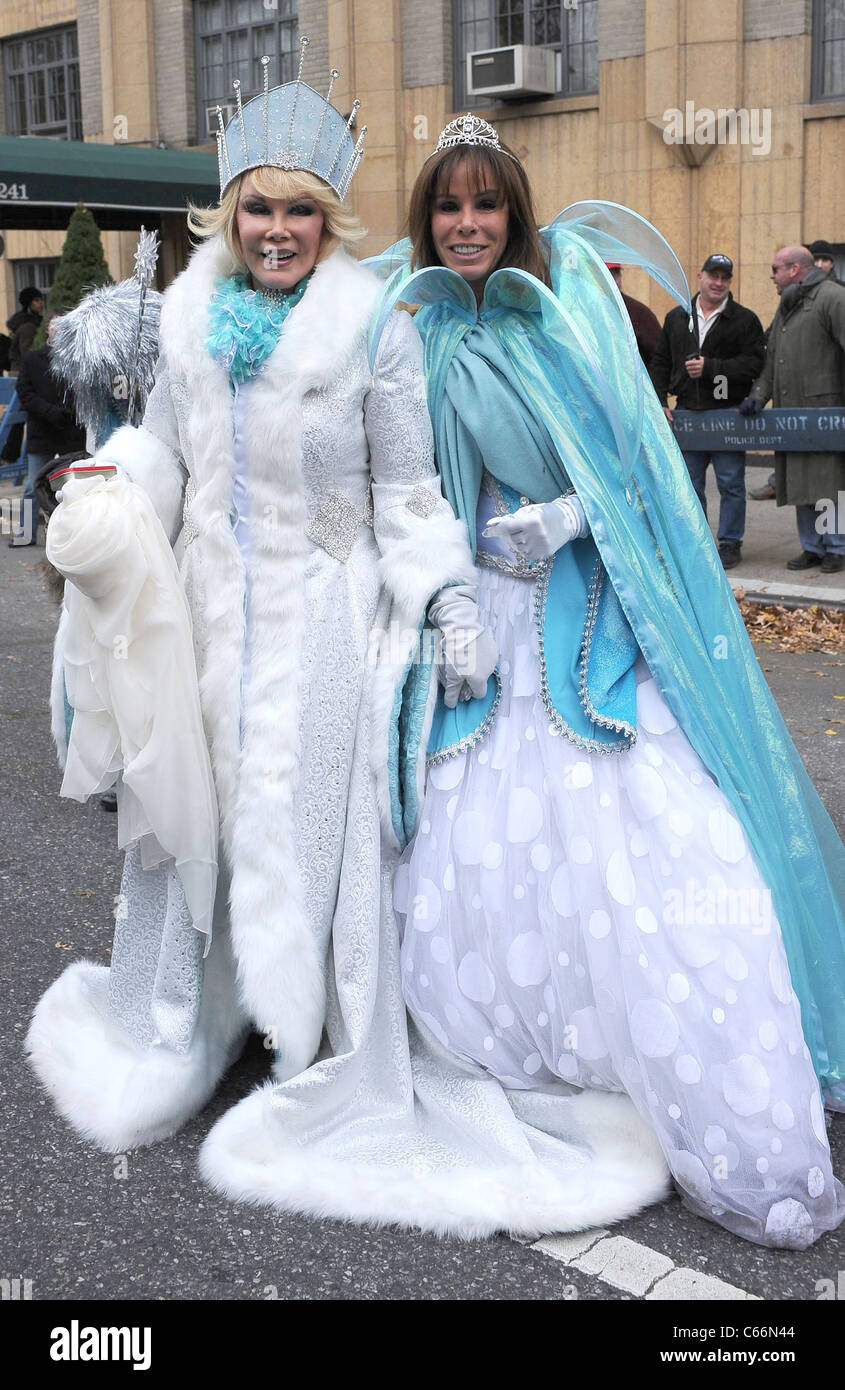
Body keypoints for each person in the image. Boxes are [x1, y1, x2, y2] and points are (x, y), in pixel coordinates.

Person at [377, 116, 844, 1249]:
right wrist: (445, 590)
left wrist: (567, 516)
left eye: (486, 204)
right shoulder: (413, 326)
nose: (467, 224)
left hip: (588, 607)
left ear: (515, 212)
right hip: (479, 607)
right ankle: (529, 1035)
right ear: (426, 219)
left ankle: (714, 1090)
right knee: (468, 826)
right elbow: (405, 480)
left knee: (649, 823)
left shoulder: (571, 303)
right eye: (448, 206)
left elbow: (632, 463)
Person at [25, 50, 480, 1165]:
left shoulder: (377, 326)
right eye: (258, 210)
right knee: (193, 810)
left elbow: (406, 485)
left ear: (328, 220)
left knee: (302, 822)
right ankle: (189, 1013)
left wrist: (444, 594)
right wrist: (113, 482)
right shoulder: (187, 323)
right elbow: (172, 459)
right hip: (206, 611)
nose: (278, 230)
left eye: (299, 212)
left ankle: (304, 1035)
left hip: (326, 611)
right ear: (228, 216)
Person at [650, 254, 764, 570]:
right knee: (688, 485)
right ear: (700, 277)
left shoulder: (744, 320)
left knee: (731, 484)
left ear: (729, 281)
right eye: (713, 275)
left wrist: (711, 368)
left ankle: (729, 543)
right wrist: (660, 400)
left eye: (724, 277)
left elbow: (754, 364)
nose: (718, 282)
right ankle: (696, 542)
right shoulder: (677, 317)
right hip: (687, 414)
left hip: (727, 414)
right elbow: (660, 362)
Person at [740, 245, 845, 574]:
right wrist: (759, 394)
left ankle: (837, 548)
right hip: (790, 416)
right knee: (801, 482)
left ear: (795, 270)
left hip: (825, 413)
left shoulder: (832, 297)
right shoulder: (787, 304)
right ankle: (812, 546)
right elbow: (774, 360)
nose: (772, 276)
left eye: (776, 269)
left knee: (828, 484)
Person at [10, 313, 84, 545]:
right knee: (34, 485)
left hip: (69, 431)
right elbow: (25, 393)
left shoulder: (76, 359)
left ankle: (74, 534)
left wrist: (67, 411)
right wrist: (49, 411)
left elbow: (83, 391)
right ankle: (26, 534)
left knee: (73, 485)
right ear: (47, 331)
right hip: (41, 431)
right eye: (55, 327)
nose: (58, 331)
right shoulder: (32, 360)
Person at [606, 262, 660, 367]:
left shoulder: (640, 313)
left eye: (616, 275)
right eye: (607, 275)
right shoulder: (587, 311)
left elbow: (659, 358)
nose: (613, 281)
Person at [7, 286, 44, 371]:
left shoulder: (27, 322)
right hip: (22, 371)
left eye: (41, 300)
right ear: (29, 303)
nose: (41, 303)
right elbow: (27, 352)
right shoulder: (28, 326)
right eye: (37, 300)